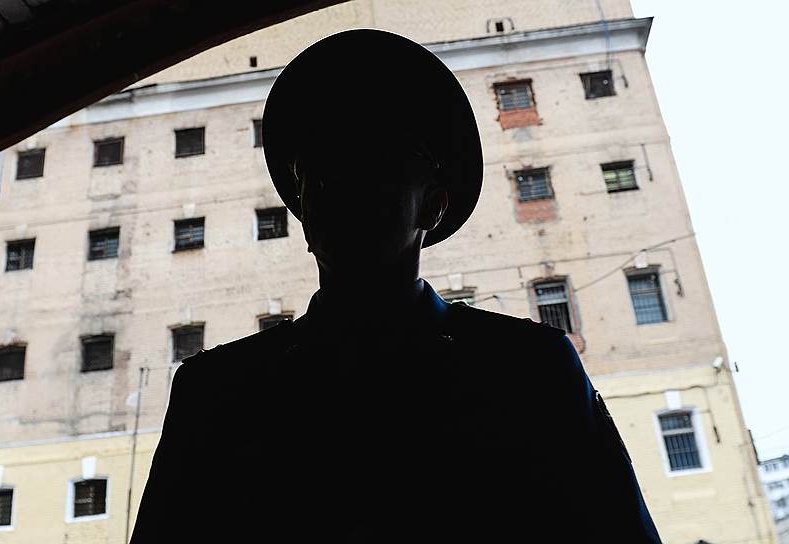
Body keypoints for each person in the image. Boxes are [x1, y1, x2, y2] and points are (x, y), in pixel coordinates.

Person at [130, 29, 661, 543]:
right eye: (317, 171)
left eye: (372, 164)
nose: (338, 187)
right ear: (302, 211)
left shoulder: (530, 372)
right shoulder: (216, 394)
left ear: (433, 205)